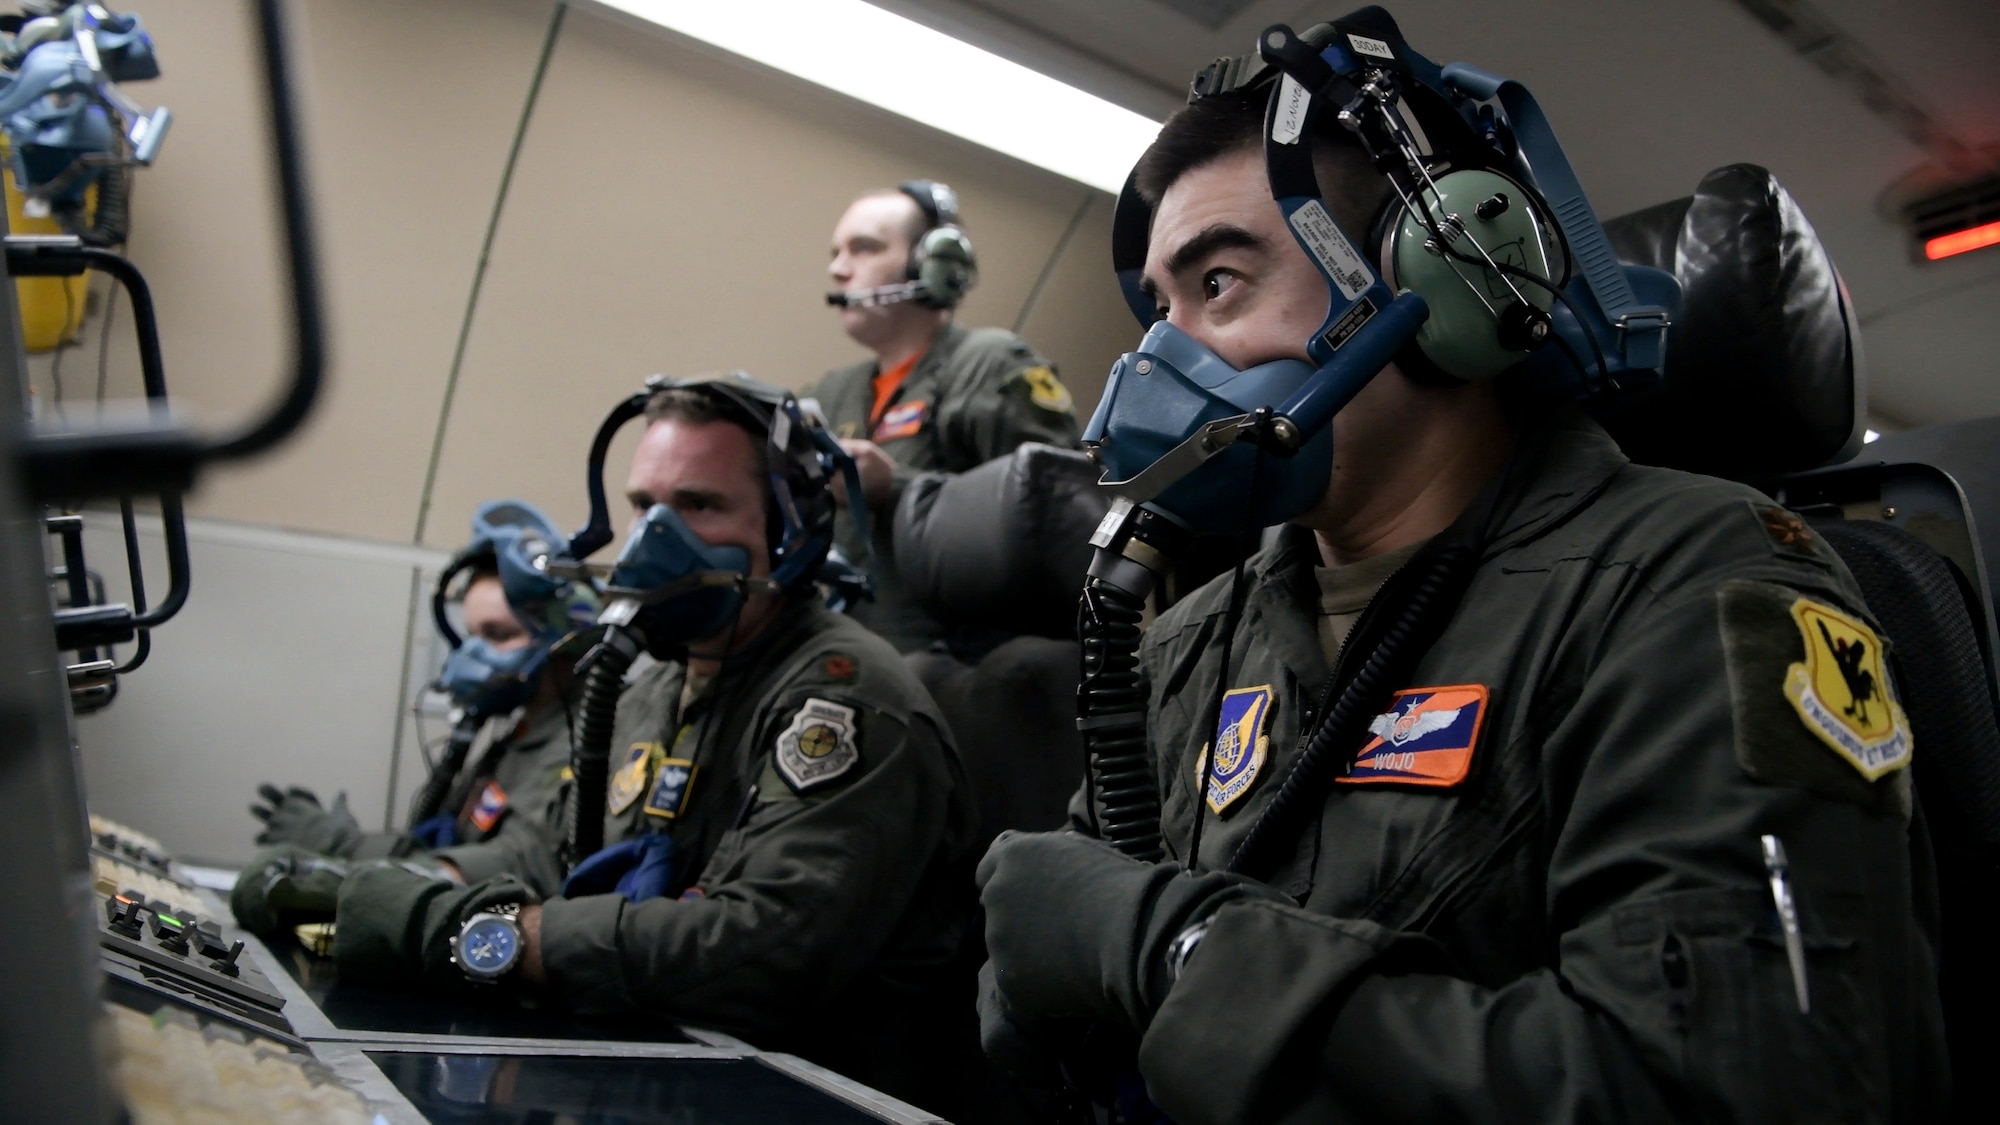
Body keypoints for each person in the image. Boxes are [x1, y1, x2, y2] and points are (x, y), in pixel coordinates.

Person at [975, 9, 1947, 1123]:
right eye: (1155, 310)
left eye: (1220, 284)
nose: (1157, 358)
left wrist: (1173, 950)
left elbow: (1732, 1090)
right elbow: (1055, 956)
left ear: (1434, 281)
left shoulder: (1695, 590)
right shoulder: (1190, 638)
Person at [231, 373, 978, 1113]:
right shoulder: (651, 686)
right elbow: (547, 854)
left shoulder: (847, 697)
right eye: (644, 505)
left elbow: (760, 946)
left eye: (699, 505)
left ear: (789, 527)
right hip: (650, 1066)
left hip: (802, 1092)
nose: (659, 534)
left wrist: (475, 931)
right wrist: (378, 883)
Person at [815, 179, 1081, 652]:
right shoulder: (830, 394)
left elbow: (1054, 526)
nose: (838, 269)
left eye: (864, 249)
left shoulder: (991, 363)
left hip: (960, 673)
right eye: (836, 252)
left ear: (934, 263)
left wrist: (894, 490)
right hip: (845, 665)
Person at [246, 501, 593, 862]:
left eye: (498, 634)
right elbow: (444, 849)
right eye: (472, 635)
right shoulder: (518, 737)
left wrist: (343, 847)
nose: (473, 656)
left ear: (569, 638)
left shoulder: (582, 743)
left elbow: (498, 871)